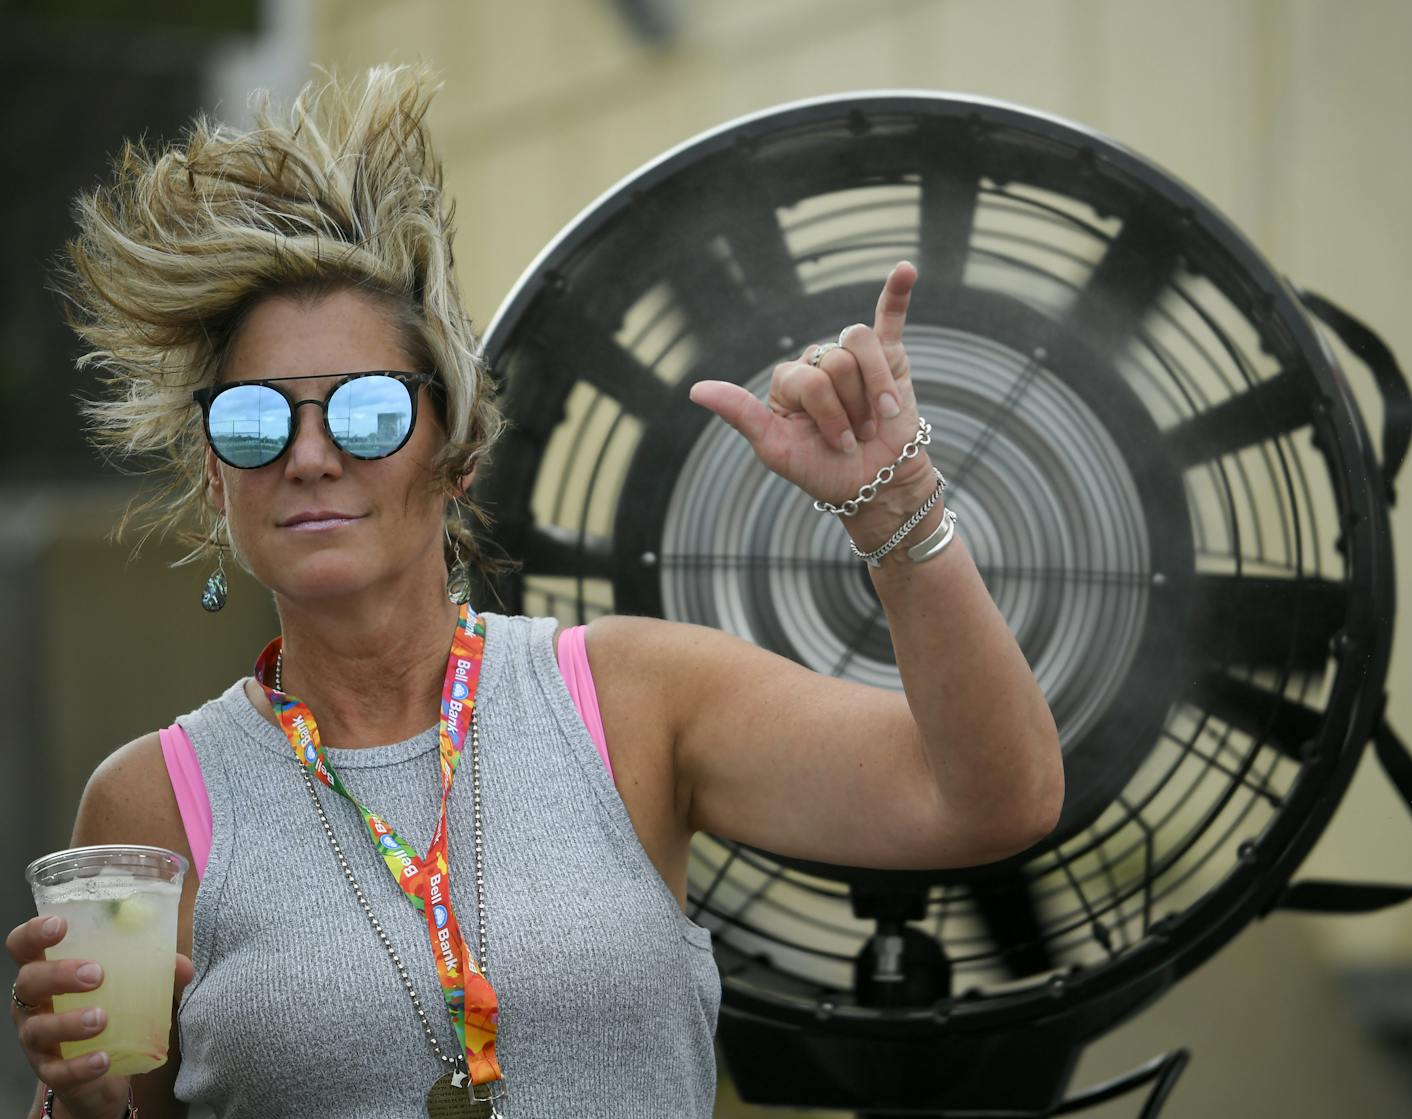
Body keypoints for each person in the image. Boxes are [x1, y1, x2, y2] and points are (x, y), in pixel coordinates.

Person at [7, 67, 1061, 1119]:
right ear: (213, 473)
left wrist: (899, 509)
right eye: (254, 420)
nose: (312, 455)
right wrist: (80, 1102)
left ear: (457, 453)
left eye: (369, 412)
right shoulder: (152, 803)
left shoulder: (632, 701)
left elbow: (987, 798)